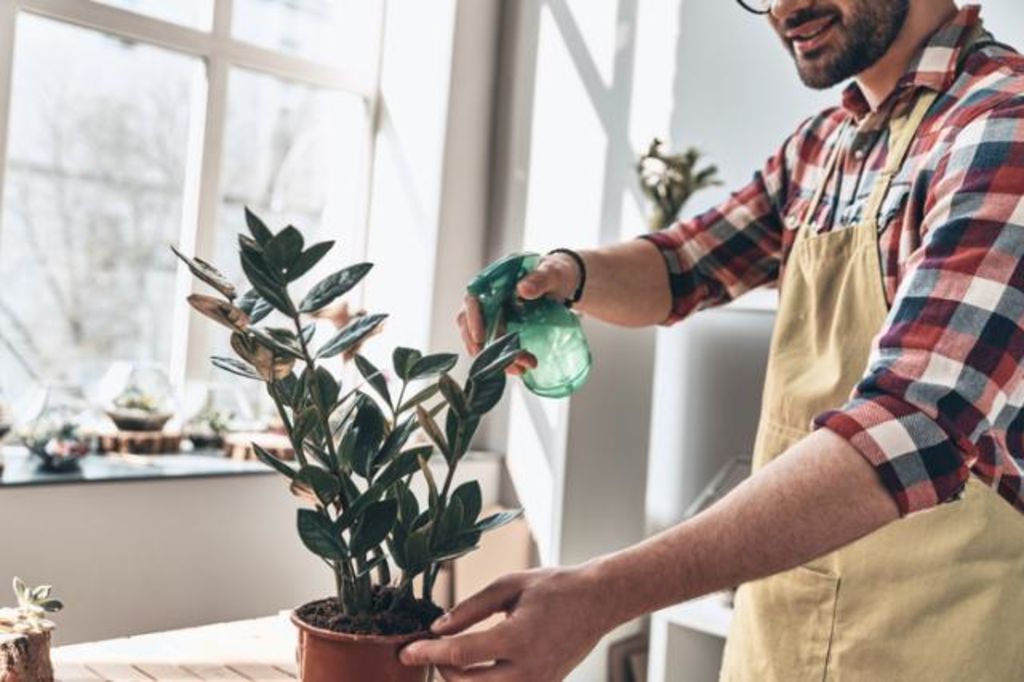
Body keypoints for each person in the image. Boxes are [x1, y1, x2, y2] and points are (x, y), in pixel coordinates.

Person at [401, 1, 1024, 680]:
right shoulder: (824, 146)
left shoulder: (1002, 125)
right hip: (780, 631)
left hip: (935, 641)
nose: (784, 7)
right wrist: (567, 275)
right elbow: (685, 265)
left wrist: (603, 594)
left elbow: (914, 426)